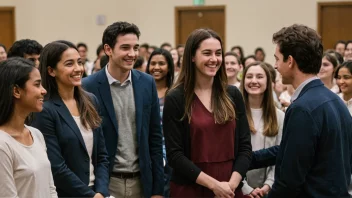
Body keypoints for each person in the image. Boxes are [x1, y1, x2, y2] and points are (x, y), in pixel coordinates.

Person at [251, 24, 352, 198]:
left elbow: (289, 179)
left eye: (277, 59)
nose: (275, 66)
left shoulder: (302, 108)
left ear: (290, 61)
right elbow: (292, 149)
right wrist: (246, 159)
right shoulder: (336, 101)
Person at [163, 28, 252, 198]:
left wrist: (231, 185)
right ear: (192, 56)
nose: (214, 59)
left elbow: (245, 147)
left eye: (218, 53)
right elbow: (175, 155)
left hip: (230, 188)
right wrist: (214, 186)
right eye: (207, 53)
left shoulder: (233, 94)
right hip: (191, 187)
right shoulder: (176, 98)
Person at [82, 21, 164, 198]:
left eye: (136, 48)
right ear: (108, 49)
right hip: (106, 183)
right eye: (125, 48)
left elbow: (155, 138)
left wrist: (158, 189)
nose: (132, 54)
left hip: (142, 182)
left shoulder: (147, 83)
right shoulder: (88, 86)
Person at [31, 40, 110, 198]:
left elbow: (101, 156)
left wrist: (101, 191)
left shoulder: (91, 100)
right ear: (51, 71)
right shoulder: (44, 109)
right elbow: (56, 166)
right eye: (69, 64)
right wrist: (90, 195)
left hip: (96, 191)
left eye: (79, 62)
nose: (78, 69)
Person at [0, 57, 57, 198]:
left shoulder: (36, 134)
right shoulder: (2, 144)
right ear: (16, 91)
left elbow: (50, 188)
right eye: (37, 85)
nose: (43, 91)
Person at [239, 62, 284, 198]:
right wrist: (246, 188)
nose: (254, 81)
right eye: (249, 76)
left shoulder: (280, 116)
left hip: (269, 190)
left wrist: (268, 184)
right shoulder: (234, 114)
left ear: (268, 81)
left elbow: (280, 153)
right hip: (239, 188)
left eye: (259, 77)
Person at [146, 48, 175, 197]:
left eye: (161, 63)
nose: (156, 67)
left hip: (172, 155)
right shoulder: (142, 91)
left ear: (169, 67)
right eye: (153, 63)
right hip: (148, 154)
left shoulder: (175, 92)